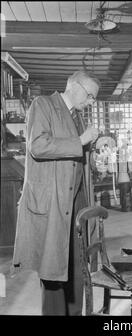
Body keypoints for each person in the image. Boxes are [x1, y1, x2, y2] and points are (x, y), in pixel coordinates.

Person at [12, 70, 100, 315]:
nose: (91, 102)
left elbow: (76, 154)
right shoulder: (43, 105)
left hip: (77, 202)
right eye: (91, 96)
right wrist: (81, 140)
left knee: (75, 266)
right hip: (54, 202)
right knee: (53, 271)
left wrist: (94, 145)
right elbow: (38, 146)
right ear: (76, 86)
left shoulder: (77, 116)